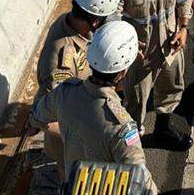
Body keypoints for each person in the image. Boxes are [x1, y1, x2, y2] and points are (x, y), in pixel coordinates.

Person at [30, 19, 158, 194]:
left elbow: (36, 117)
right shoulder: (121, 126)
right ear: (123, 72)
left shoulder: (65, 92)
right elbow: (141, 182)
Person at [115, 0, 194, 151]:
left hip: (170, 47)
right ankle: (131, 149)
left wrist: (183, 28)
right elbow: (112, 21)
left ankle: (162, 130)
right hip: (140, 57)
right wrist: (123, 52)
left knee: (171, 89)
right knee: (135, 103)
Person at [35, 0, 122, 177]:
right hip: (70, 146)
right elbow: (56, 117)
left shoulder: (71, 23)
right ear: (94, 21)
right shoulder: (62, 62)